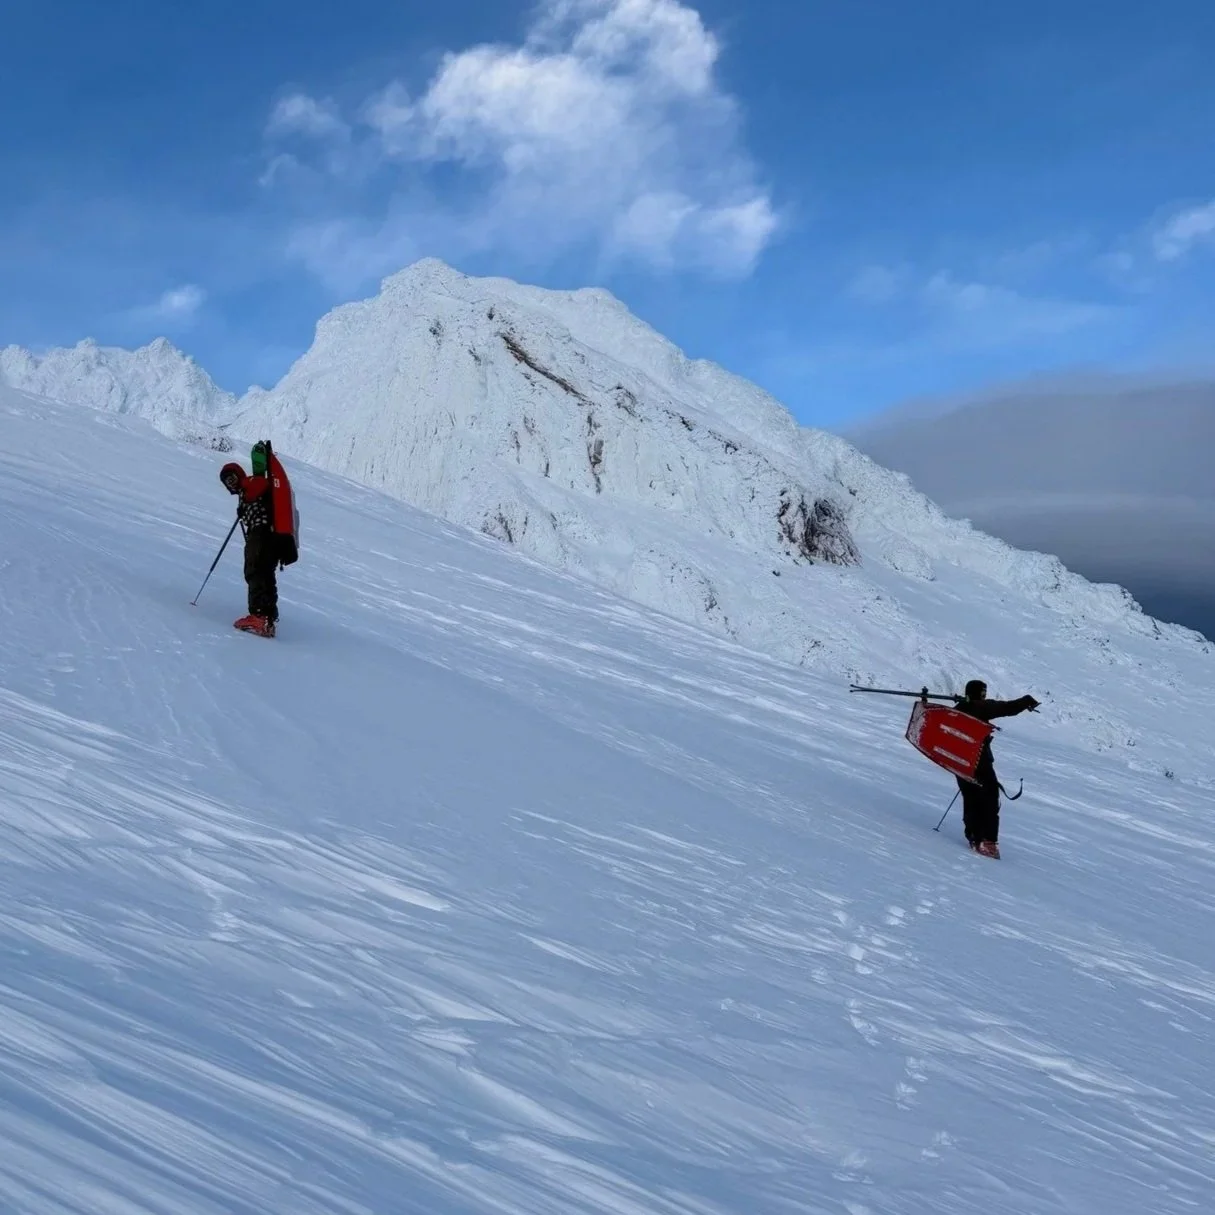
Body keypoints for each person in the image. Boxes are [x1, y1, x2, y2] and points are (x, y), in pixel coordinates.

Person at [953, 679, 1039, 858]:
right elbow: (1007, 708)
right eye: (983, 693)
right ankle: (988, 841)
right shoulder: (980, 707)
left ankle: (974, 837)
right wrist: (1026, 701)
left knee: (970, 797)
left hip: (960, 761)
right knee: (990, 797)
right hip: (980, 761)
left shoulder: (959, 708)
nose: (985, 696)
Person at [220, 461, 278, 637]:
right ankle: (267, 618)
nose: (231, 484)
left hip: (260, 534)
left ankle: (258, 615)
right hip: (270, 536)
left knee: (254, 570)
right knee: (265, 573)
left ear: (239, 475)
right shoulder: (246, 490)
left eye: (232, 479)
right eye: (227, 482)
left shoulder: (249, 483)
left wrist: (246, 497)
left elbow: (261, 484)